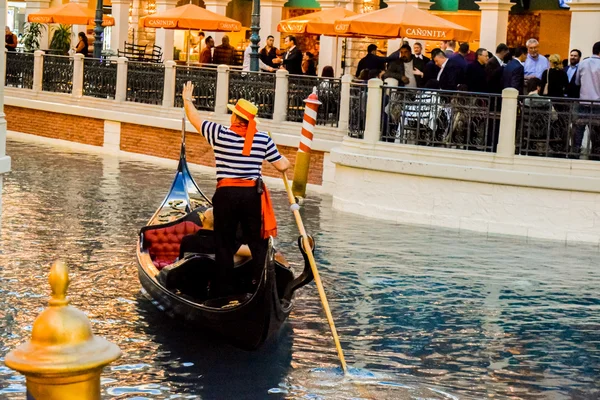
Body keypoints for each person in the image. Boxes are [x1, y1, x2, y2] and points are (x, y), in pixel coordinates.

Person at [182, 81, 290, 296]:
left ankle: (222, 293)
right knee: (257, 244)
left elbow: (195, 119)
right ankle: (261, 289)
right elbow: (283, 165)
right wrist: (274, 149)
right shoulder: (262, 139)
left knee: (224, 244)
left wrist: (187, 100)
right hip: (252, 195)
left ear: (234, 118)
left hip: (226, 195)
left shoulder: (219, 134)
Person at [178, 208, 252, 263]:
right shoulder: (225, 242)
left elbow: (180, 262)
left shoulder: (186, 240)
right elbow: (253, 251)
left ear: (202, 220)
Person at [573, 41, 600, 158]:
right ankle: (596, 152)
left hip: (583, 101)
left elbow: (577, 82)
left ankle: (575, 151)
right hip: (598, 103)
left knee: (580, 128)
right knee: (597, 129)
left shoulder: (583, 63)